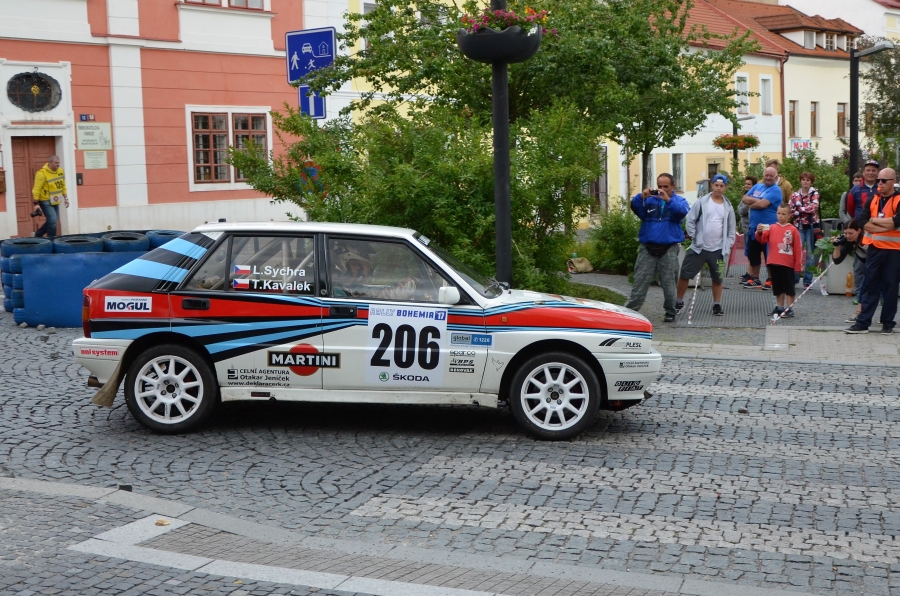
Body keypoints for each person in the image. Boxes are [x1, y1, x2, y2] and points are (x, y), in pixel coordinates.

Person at [626, 173, 690, 322]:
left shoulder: (679, 201)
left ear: (673, 186)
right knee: (640, 281)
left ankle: (670, 312)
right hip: (647, 246)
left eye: (665, 187)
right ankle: (630, 312)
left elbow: (682, 212)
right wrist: (641, 197)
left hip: (669, 247)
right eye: (659, 186)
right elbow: (635, 207)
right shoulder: (650, 200)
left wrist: (668, 200)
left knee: (669, 283)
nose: (662, 189)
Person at [846, 167, 900, 334]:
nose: (879, 183)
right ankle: (862, 323)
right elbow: (862, 221)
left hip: (894, 250)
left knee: (890, 287)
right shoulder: (873, 199)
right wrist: (885, 225)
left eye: (883, 180)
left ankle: (887, 323)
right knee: (870, 285)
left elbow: (897, 222)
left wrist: (874, 220)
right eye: (878, 180)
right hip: (875, 249)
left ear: (893, 182)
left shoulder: (898, 199)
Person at [675, 173, 735, 316]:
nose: (718, 188)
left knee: (718, 277)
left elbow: (731, 229)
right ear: (712, 185)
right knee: (685, 274)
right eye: (716, 185)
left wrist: (728, 244)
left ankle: (717, 304)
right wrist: (695, 238)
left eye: (721, 186)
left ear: (725, 187)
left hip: (719, 249)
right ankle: (678, 301)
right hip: (699, 247)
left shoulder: (728, 206)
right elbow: (690, 220)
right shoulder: (702, 202)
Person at [756, 205, 802, 318]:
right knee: (777, 286)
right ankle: (779, 306)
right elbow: (762, 239)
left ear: (789, 216)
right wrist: (759, 232)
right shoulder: (771, 227)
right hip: (774, 261)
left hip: (787, 263)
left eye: (783, 214)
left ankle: (790, 308)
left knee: (789, 286)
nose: (780, 216)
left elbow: (797, 248)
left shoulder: (793, 230)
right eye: (779, 213)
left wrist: (798, 265)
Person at [741, 166, 782, 289]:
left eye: (771, 176)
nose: (768, 178)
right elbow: (744, 198)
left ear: (776, 177)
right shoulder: (757, 186)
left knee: (769, 254)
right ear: (763, 175)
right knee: (753, 254)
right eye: (766, 175)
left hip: (769, 228)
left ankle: (770, 279)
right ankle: (755, 278)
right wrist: (757, 201)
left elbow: (762, 204)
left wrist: (753, 203)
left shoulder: (776, 190)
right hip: (754, 227)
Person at [847, 160, 879, 299]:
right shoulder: (855, 190)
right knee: (860, 264)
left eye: (873, 170)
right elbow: (850, 208)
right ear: (864, 172)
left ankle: (876, 294)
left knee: (877, 263)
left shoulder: (881, 187)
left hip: (878, 230)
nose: (871, 173)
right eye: (868, 170)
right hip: (861, 232)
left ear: (877, 173)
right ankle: (859, 294)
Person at [789, 172, 820, 288]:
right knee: (797, 252)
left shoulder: (814, 193)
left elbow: (813, 208)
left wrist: (799, 210)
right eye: (803, 180)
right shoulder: (795, 195)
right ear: (800, 181)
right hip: (799, 227)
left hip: (811, 227)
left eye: (808, 180)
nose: (805, 182)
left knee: (810, 255)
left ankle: (807, 280)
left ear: (811, 182)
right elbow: (790, 210)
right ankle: (795, 278)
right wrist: (800, 210)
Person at [831, 220, 866, 323]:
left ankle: (885, 318)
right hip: (868, 263)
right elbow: (837, 260)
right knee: (864, 287)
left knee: (885, 289)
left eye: (851, 233)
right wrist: (837, 246)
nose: (848, 236)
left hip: (880, 262)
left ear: (859, 231)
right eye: (846, 233)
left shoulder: (867, 237)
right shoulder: (849, 241)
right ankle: (860, 313)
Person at [32, 155, 68, 238]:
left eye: (59, 163)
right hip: (45, 200)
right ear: (50, 163)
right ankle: (51, 238)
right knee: (52, 220)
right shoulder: (41, 173)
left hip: (56, 200)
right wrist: (36, 203)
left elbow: (63, 186)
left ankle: (38, 234)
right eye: (56, 163)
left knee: (53, 221)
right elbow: (36, 189)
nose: (58, 164)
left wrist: (66, 198)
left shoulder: (60, 171)